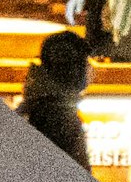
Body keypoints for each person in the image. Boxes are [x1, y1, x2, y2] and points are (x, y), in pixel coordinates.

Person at [22, 27, 95, 168]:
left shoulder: (43, 106)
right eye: (86, 63)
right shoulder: (57, 117)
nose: (91, 69)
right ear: (73, 71)